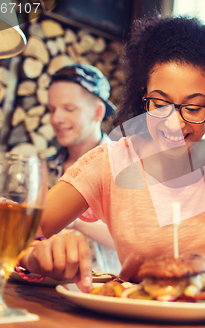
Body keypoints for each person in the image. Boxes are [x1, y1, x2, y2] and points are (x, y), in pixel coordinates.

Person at [19, 15, 205, 291]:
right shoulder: (110, 162)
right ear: (144, 96)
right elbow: (18, 235)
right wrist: (34, 256)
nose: (174, 123)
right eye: (160, 103)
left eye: (193, 107)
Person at [46, 64, 120, 273]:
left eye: (69, 108)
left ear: (98, 112)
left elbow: (138, 241)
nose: (56, 118)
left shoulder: (124, 167)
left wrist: (72, 220)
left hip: (103, 291)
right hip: (40, 287)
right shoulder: (43, 168)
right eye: (52, 109)